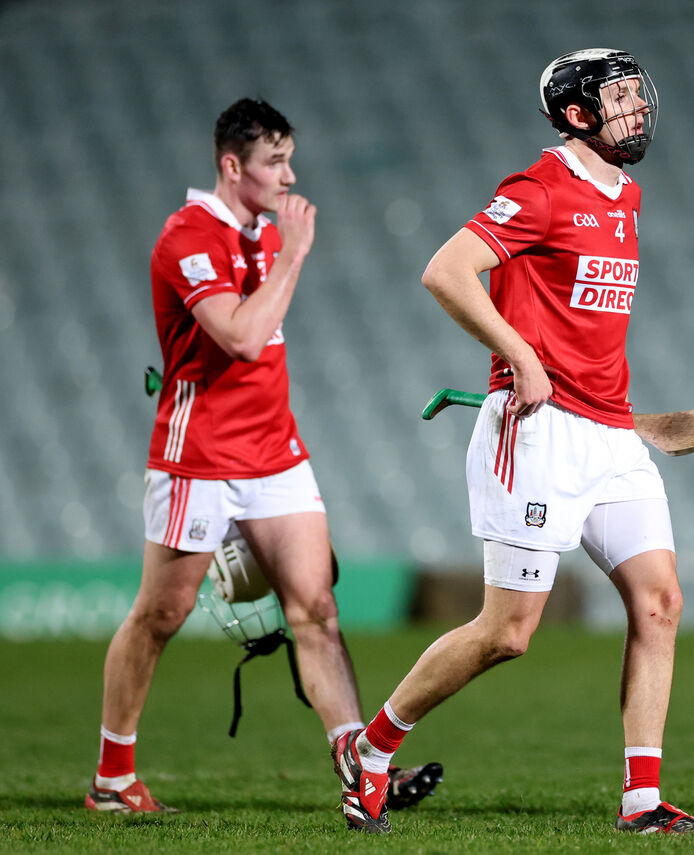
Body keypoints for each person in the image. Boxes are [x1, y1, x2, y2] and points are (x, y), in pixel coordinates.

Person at [331, 49, 694, 836]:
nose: (638, 109)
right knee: (508, 633)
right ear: (578, 116)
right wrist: (519, 355)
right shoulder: (540, 190)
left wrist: (614, 404)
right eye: (619, 99)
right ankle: (371, 751)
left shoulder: (626, 195)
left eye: (636, 95)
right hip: (536, 433)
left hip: (611, 435)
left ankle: (642, 803)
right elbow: (447, 270)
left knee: (661, 601)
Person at [87, 98, 439, 814]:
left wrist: (280, 250)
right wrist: (295, 252)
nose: (289, 174)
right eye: (275, 160)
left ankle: (359, 765)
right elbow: (241, 337)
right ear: (231, 165)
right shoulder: (187, 235)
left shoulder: (258, 234)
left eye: (288, 157)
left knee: (316, 607)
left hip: (276, 452)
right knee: (161, 612)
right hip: (199, 456)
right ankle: (113, 777)